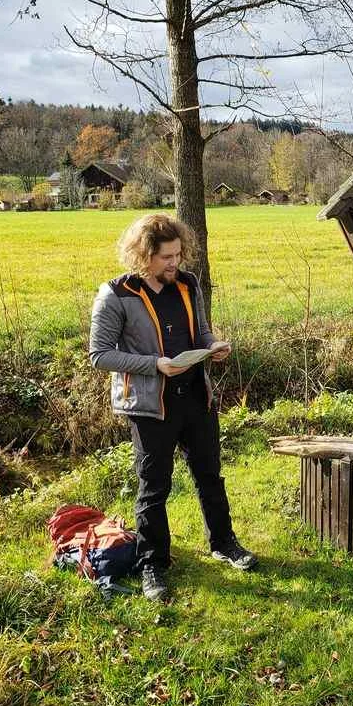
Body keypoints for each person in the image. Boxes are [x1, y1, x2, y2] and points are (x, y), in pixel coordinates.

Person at [89, 213, 256, 602]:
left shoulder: (188, 283)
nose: (174, 263)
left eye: (178, 254)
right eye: (166, 257)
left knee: (210, 476)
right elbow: (99, 355)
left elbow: (201, 330)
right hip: (151, 407)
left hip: (197, 397)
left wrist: (214, 347)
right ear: (143, 256)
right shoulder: (115, 294)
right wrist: (154, 365)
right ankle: (153, 564)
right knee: (154, 489)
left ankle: (224, 543)